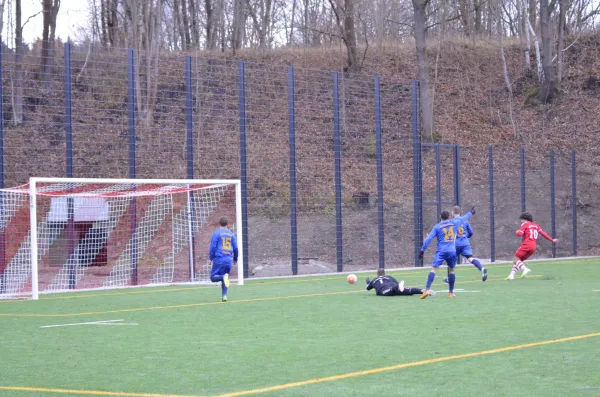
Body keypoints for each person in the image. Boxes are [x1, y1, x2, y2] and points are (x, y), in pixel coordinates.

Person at [419, 206, 475, 299]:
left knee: (434, 269)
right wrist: (470, 213)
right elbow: (463, 218)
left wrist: (422, 250)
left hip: (441, 251)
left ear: (440, 217)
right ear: (449, 217)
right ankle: (451, 293)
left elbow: (429, 239)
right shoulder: (454, 223)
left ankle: (427, 289)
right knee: (452, 270)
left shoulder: (437, 227)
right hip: (452, 251)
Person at [506, 212, 558, 280]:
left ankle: (525, 269)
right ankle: (511, 275)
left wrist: (517, 232)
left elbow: (520, 234)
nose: (521, 221)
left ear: (525, 219)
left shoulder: (525, 224)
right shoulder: (536, 225)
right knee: (519, 261)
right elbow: (543, 233)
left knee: (515, 260)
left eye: (521, 219)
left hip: (527, 244)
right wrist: (552, 240)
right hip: (533, 246)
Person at [443, 206, 487, 283]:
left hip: (455, 244)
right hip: (465, 243)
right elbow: (471, 233)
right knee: (470, 258)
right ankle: (482, 269)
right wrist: (465, 237)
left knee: (450, 261)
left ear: (452, 212)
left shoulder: (451, 222)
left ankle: (450, 279)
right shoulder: (465, 221)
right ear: (459, 212)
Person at [208, 217, 238, 301]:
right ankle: (224, 296)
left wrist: (210, 258)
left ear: (219, 223)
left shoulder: (216, 233)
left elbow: (213, 246)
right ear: (228, 223)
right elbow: (235, 248)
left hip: (219, 259)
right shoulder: (231, 234)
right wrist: (235, 258)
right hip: (228, 259)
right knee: (225, 277)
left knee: (213, 277)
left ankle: (223, 279)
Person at [365, 268, 435, 297]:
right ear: (384, 273)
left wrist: (368, 282)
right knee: (408, 291)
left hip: (384, 289)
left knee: (387, 292)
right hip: (394, 286)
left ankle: (396, 287)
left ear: (377, 274)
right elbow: (395, 282)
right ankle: (422, 291)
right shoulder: (389, 276)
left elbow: (367, 288)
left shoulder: (374, 280)